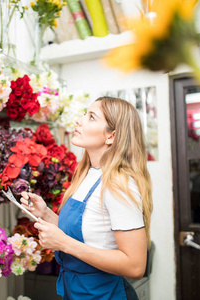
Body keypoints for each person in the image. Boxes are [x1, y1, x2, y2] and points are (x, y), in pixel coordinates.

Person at [20, 97, 153, 300]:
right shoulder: (88, 174)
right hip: (75, 290)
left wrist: (64, 244)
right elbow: (93, 236)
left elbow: (135, 266)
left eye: (91, 117)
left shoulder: (119, 185)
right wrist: (45, 213)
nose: (79, 121)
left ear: (111, 136)